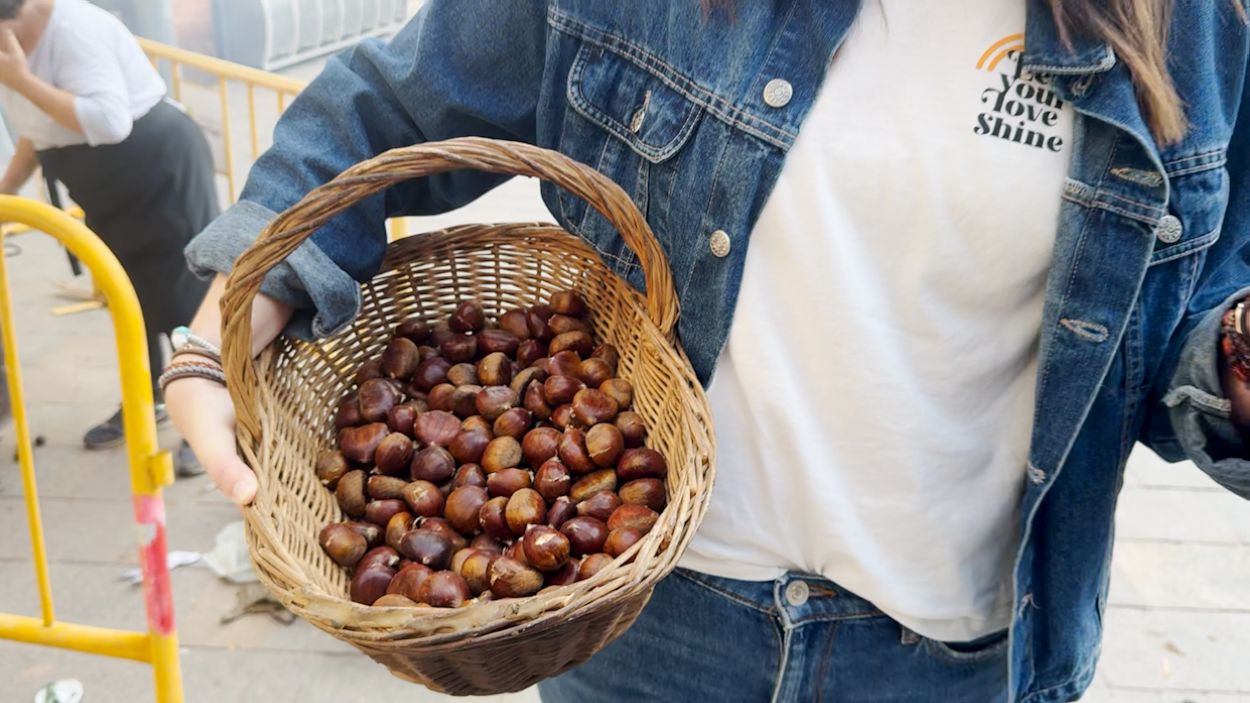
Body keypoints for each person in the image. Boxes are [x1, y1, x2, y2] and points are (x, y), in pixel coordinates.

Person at [166, 1, 1250, 700]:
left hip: (959, 652)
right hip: (649, 620)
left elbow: (1187, 333)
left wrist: (1231, 363)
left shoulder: (1190, 27)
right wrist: (235, 312)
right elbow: (387, 108)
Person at [0, 0, 215, 475]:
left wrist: (21, 81)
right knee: (129, 302)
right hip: (105, 187)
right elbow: (38, 132)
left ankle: (213, 424)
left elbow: (109, 120)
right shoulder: (17, 45)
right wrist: (7, 190)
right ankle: (146, 400)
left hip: (156, 172)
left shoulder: (74, 30)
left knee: (185, 305)